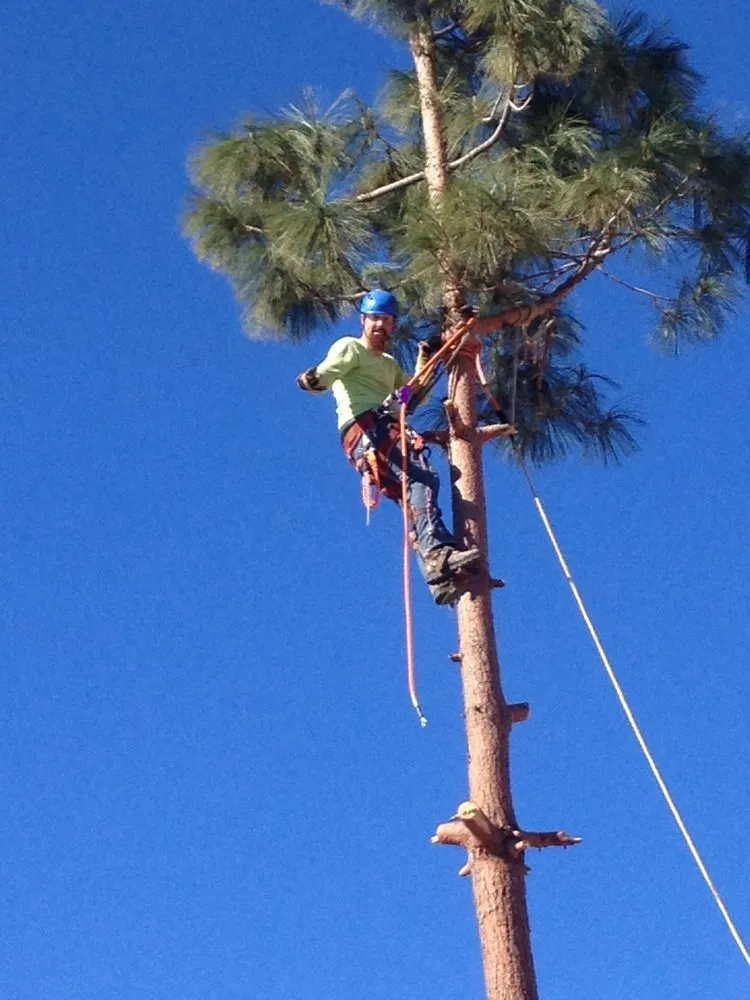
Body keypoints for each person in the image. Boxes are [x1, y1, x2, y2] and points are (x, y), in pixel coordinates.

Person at [295, 289, 482, 605]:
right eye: (375, 319)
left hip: (378, 428)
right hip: (368, 426)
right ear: (363, 321)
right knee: (421, 477)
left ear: (393, 325)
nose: (380, 325)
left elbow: (409, 396)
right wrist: (312, 379)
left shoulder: (388, 364)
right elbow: (327, 374)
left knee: (413, 493)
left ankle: (437, 577)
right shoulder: (351, 348)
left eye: (386, 320)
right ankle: (438, 554)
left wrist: (426, 357)